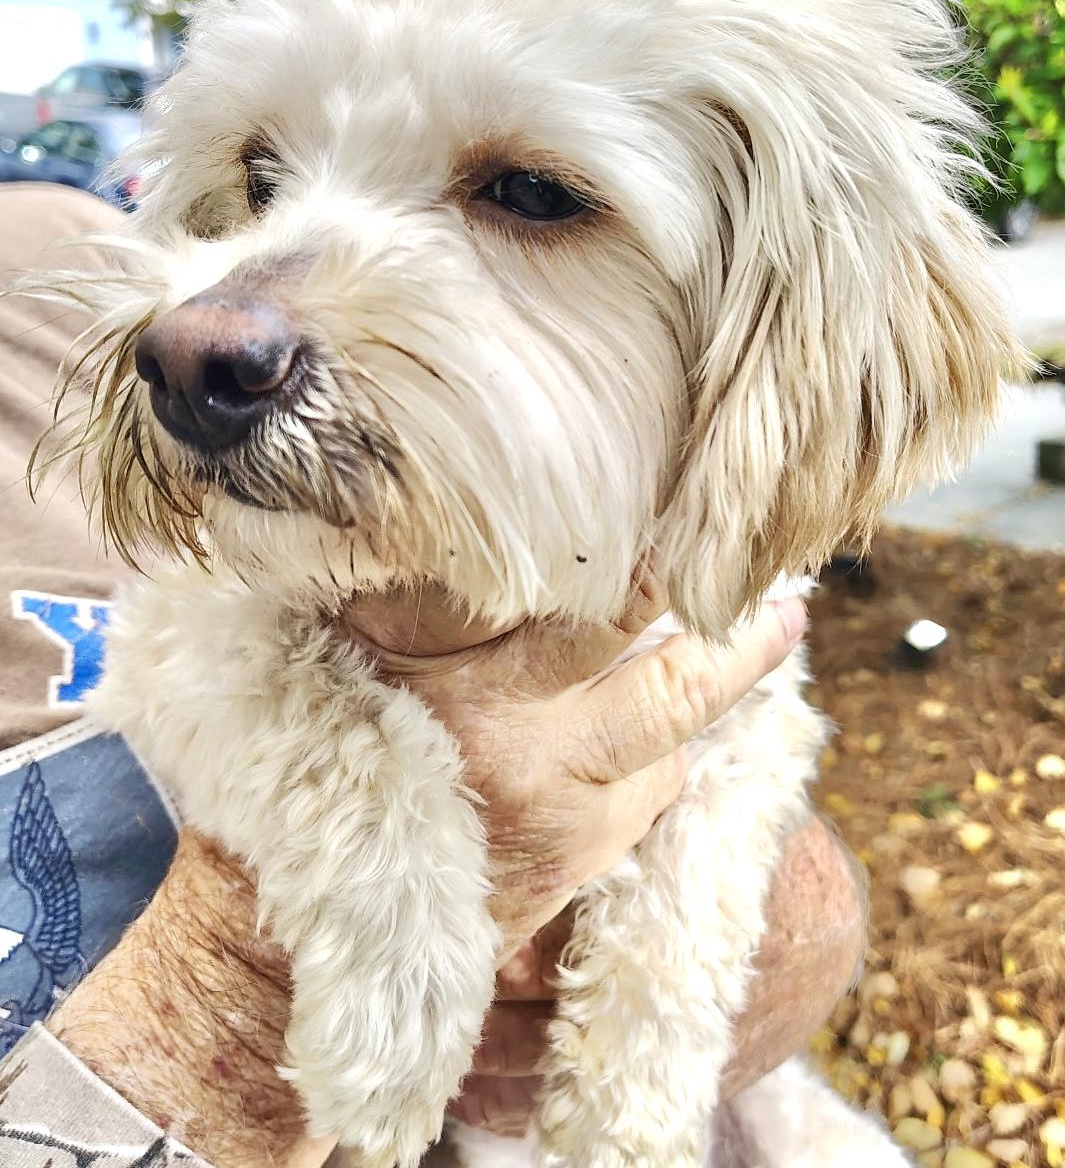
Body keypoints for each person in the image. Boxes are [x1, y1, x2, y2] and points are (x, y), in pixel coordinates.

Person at [0, 183, 864, 1168]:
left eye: (528, 196)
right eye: (263, 179)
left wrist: (755, 946)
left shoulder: (53, 250)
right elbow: (196, 624)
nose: (215, 325)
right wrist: (244, 980)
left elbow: (746, 735)